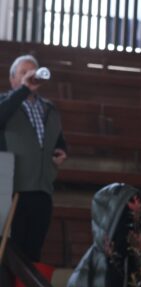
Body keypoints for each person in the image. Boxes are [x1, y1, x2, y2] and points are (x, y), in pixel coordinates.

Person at [0, 54, 68, 262]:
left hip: (42, 190)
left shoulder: (48, 108)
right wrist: (23, 90)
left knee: (33, 253)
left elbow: (58, 139)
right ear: (13, 80)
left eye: (34, 71)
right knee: (11, 252)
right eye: (24, 72)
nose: (30, 75)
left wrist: (62, 151)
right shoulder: (6, 103)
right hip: (13, 191)